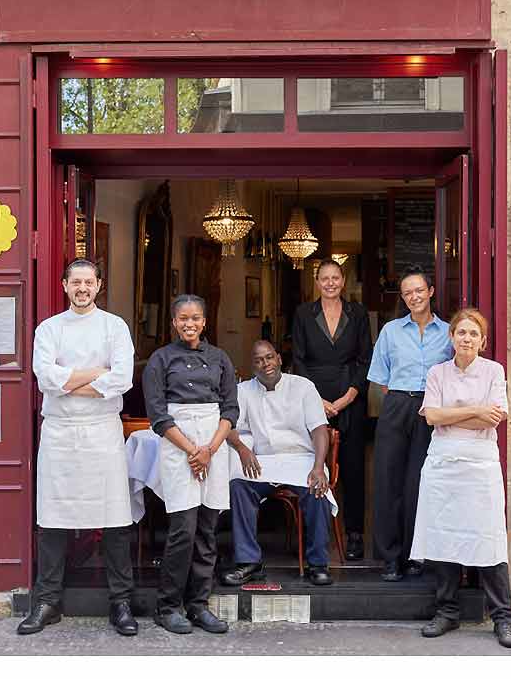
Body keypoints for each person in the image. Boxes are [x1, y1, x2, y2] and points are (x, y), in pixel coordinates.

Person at [19, 259, 137, 636]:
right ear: (65, 285)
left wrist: (68, 379)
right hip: (60, 433)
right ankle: (47, 600)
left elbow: (123, 378)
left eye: (89, 282)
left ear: (99, 285)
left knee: (116, 519)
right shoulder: (48, 329)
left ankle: (121, 602)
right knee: (52, 519)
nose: (83, 288)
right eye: (76, 282)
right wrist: (95, 375)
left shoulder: (114, 326)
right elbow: (45, 378)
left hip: (102, 432)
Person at [411, 308, 511, 649]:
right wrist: (474, 410)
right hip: (442, 465)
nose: (467, 339)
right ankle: (447, 611)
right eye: (461, 333)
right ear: (452, 337)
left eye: (473, 334)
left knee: (488, 540)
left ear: (483, 341)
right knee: (442, 538)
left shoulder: (494, 371)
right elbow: (431, 416)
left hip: (479, 465)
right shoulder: (437, 373)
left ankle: (503, 617)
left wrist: (452, 416)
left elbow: (493, 420)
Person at [142, 294, 239, 634]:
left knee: (208, 530)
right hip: (177, 443)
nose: (189, 323)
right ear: (173, 322)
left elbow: (230, 409)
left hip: (213, 442)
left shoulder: (220, 358)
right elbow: (157, 415)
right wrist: (192, 451)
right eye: (183, 318)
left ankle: (198, 604)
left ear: (204, 322)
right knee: (183, 530)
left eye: (195, 318)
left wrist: (209, 450)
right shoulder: (160, 359)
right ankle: (167, 606)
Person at [220, 340, 335, 587]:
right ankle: (248, 561)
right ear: (253, 366)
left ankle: (318, 564)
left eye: (270, 357)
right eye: (259, 360)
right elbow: (227, 425)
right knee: (239, 487)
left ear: (279, 359)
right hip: (264, 462)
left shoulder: (303, 387)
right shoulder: (243, 390)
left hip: (302, 459)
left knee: (318, 491)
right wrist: (241, 448)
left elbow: (319, 429)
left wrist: (318, 467)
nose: (266, 364)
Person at [367, 267, 453, 581]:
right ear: (403, 298)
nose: (414, 297)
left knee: (421, 483)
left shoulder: (447, 332)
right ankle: (390, 557)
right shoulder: (390, 331)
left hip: (431, 410)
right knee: (389, 481)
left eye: (419, 290)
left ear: (430, 291)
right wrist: (404, 400)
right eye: (407, 293)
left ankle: (418, 555)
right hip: (397, 405)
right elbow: (382, 380)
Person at [291, 259, 371, 561]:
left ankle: (353, 535)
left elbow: (366, 358)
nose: (330, 283)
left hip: (350, 395)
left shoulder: (358, 313)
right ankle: (316, 535)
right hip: (312, 397)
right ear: (317, 281)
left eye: (335, 277)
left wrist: (347, 397)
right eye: (324, 278)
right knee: (312, 464)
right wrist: (317, 401)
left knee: (352, 468)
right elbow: (298, 359)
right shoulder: (303, 313)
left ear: (343, 280)